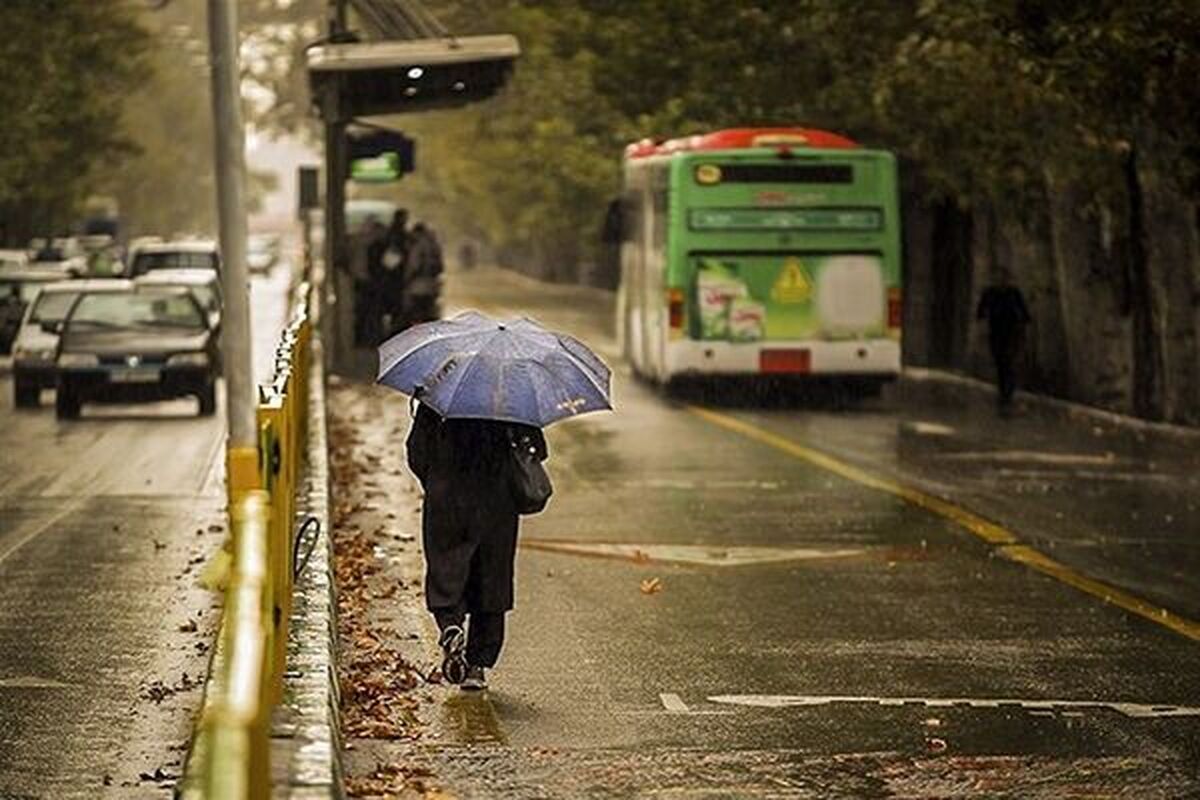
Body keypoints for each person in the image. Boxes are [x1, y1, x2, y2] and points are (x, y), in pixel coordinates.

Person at [406, 400, 548, 691]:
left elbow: (416, 450)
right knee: (491, 578)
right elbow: (537, 450)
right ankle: (476, 666)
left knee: (446, 568)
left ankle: (450, 625)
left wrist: (435, 481)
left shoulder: (439, 396)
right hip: (497, 501)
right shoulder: (514, 397)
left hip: (447, 495)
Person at [976, 272, 1031, 409]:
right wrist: (982, 328)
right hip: (995, 332)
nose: (1001, 281)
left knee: (1009, 362)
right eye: (998, 279)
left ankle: (1008, 393)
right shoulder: (989, 293)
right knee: (1000, 362)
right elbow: (980, 312)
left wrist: (1023, 327)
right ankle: (1003, 391)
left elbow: (1024, 312)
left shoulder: (1014, 293)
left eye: (1004, 279)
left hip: (1011, 333)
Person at [404, 223, 443, 325]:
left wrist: (406, 281)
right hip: (432, 285)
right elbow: (440, 267)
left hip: (418, 286)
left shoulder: (417, 247)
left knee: (417, 314)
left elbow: (414, 266)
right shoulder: (435, 246)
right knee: (429, 313)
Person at [380, 209, 411, 336]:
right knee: (394, 306)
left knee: (392, 307)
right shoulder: (397, 235)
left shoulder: (392, 234)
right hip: (394, 277)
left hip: (392, 277)